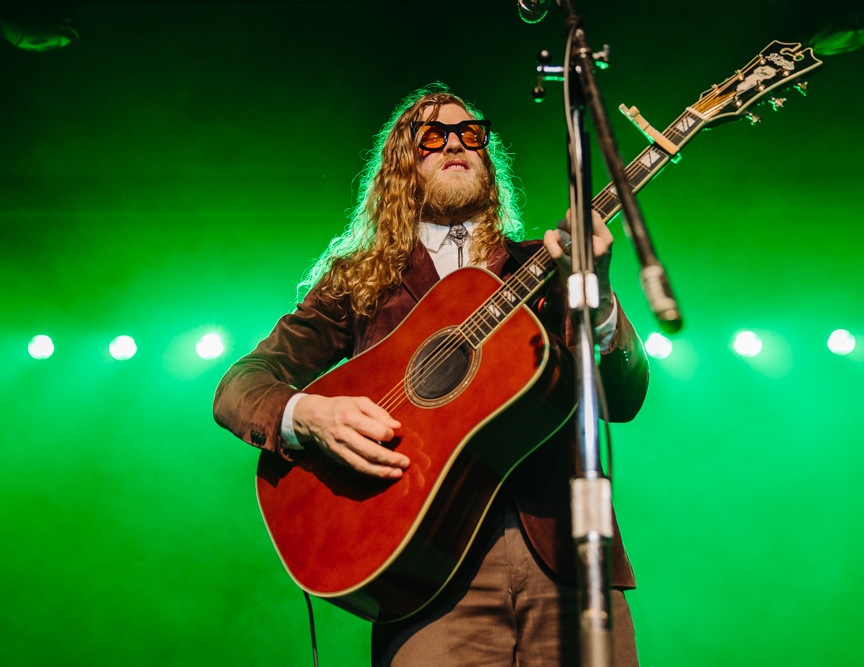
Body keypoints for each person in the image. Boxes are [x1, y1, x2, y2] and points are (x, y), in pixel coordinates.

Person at [213, 83, 649, 666]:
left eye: (471, 134)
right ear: (400, 164)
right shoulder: (361, 280)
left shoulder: (544, 267)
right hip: (427, 571)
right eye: (432, 137)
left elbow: (625, 395)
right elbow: (241, 386)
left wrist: (594, 292)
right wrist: (309, 415)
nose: (455, 144)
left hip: (566, 562)